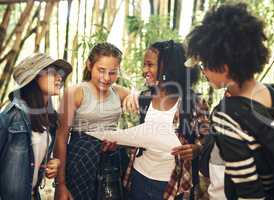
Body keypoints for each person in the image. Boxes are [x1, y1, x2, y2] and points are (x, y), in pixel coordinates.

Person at [185, 3, 274, 200]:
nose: (203, 72)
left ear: (223, 67)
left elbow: (249, 191)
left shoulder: (226, 117)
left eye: (204, 65)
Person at [88, 40, 210, 200]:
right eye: (144, 65)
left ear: (167, 66)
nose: (144, 70)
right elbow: (135, 136)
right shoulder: (144, 98)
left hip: (173, 184)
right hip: (138, 178)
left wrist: (196, 149)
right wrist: (116, 143)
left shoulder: (193, 102)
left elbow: (207, 140)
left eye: (149, 64)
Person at [54, 42, 136, 200]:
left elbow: (142, 98)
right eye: (101, 70)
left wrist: (134, 95)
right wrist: (61, 184)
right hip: (82, 159)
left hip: (112, 160)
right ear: (89, 65)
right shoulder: (76, 92)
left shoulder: (118, 92)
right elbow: (61, 138)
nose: (106, 78)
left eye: (112, 73)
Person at [0, 53, 72, 200]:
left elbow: (31, 157)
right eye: (52, 73)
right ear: (34, 78)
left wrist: (52, 161)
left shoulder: (49, 120)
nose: (60, 78)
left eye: (60, 74)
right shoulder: (12, 116)